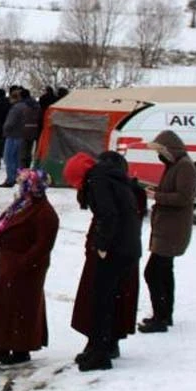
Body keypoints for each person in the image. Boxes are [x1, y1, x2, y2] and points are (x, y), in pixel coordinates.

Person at [65, 152, 145, 373]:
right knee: (109, 298)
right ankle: (102, 347)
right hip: (128, 247)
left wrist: (102, 245)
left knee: (101, 300)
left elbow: (108, 215)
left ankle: (99, 354)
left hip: (116, 249)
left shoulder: (97, 180)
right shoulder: (111, 176)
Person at [0, 168, 59, 365]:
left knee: (20, 309)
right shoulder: (22, 205)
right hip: (7, 264)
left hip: (24, 269)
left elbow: (43, 246)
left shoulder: (45, 213)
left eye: (23, 183)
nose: (20, 187)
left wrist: (21, 264)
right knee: (2, 307)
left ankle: (20, 348)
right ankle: (2, 346)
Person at [139, 131, 196, 333]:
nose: (159, 156)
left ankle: (160, 318)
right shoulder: (176, 165)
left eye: (161, 151)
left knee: (153, 272)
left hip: (172, 229)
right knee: (163, 272)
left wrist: (157, 196)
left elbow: (183, 197)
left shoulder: (184, 167)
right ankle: (164, 314)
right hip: (167, 227)